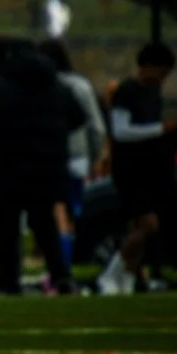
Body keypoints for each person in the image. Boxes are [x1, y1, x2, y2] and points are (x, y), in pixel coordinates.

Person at [0, 38, 84, 294]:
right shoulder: (54, 84)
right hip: (47, 168)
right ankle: (61, 275)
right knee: (45, 225)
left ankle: (9, 281)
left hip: (5, 167)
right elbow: (77, 116)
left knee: (7, 228)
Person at [97, 43, 177, 295]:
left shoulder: (152, 93)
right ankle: (111, 273)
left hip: (149, 168)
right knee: (147, 225)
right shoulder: (127, 92)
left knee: (140, 228)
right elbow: (121, 131)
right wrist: (161, 129)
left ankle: (127, 276)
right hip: (130, 169)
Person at [35, 39, 107, 273]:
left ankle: (61, 265)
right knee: (76, 210)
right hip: (78, 158)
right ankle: (71, 261)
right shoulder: (80, 86)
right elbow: (96, 126)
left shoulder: (43, 87)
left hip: (49, 158)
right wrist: (98, 156)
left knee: (56, 212)